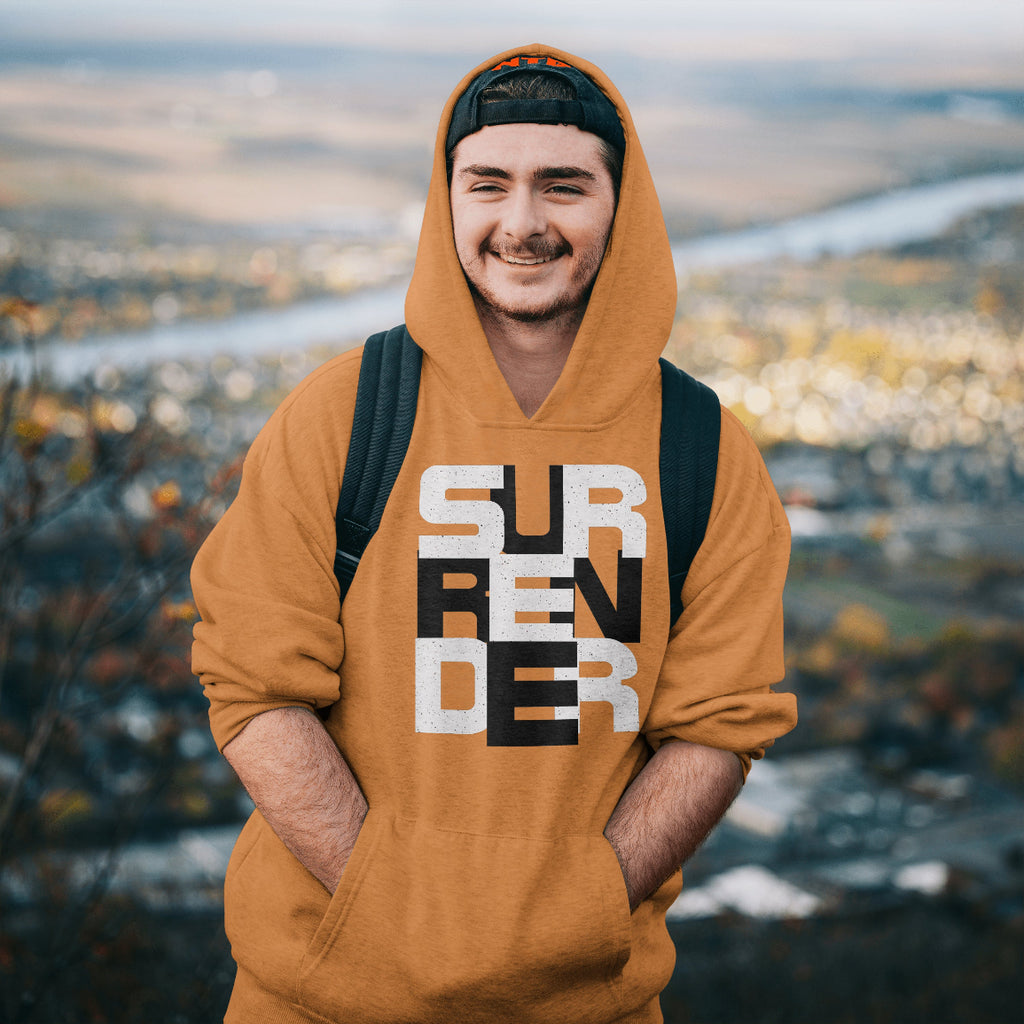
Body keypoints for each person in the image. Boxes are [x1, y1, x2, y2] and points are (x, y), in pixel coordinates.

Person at [191, 44, 797, 1024]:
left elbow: (718, 724)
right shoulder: (342, 416)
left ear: (620, 203)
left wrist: (581, 906)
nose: (522, 223)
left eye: (564, 185)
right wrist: (396, 906)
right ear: (448, 203)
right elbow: (256, 690)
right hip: (318, 1001)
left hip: (588, 1006)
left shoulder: (701, 451)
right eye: (489, 184)